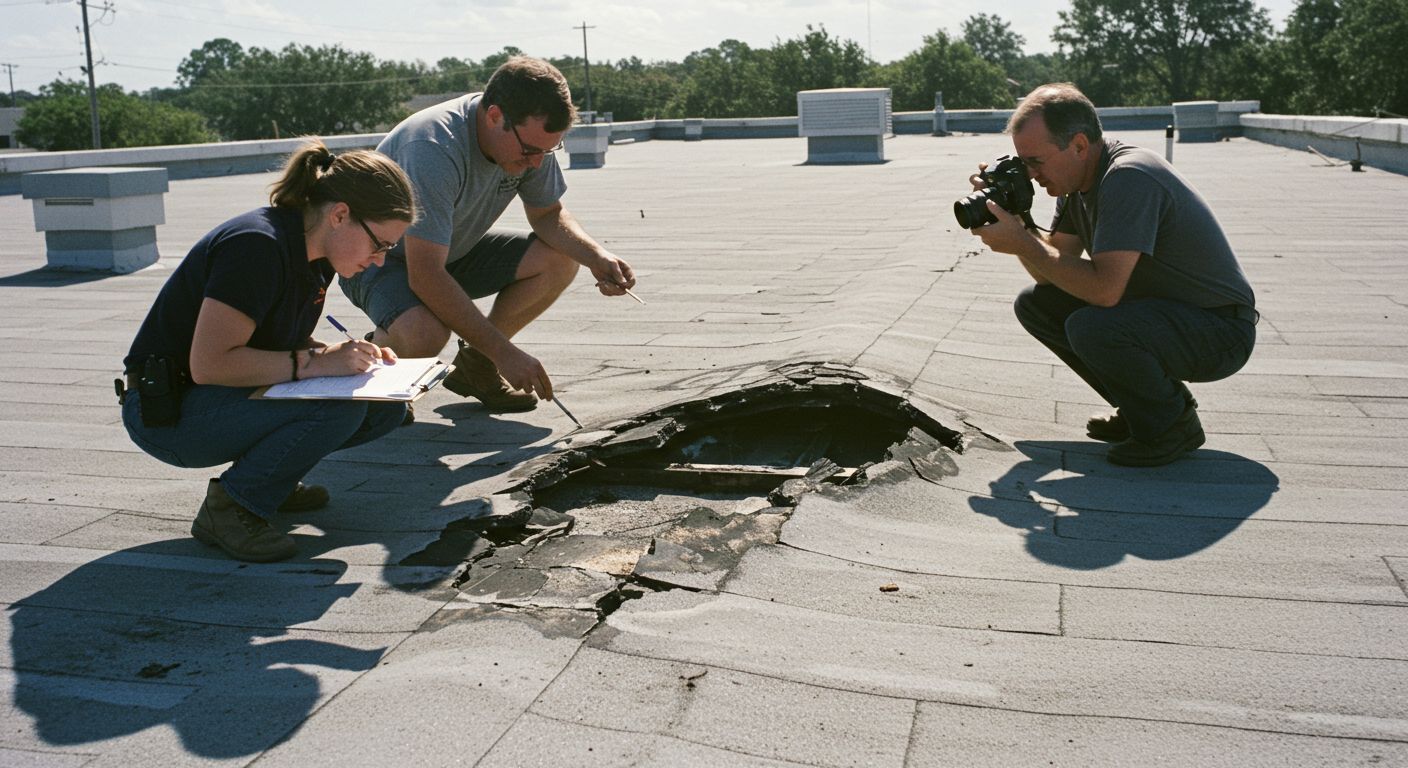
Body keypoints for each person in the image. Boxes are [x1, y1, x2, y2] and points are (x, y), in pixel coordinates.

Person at [121, 140, 416, 562]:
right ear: (340, 215)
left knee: (382, 406)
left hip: (213, 398)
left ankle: (272, 478)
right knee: (340, 408)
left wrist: (347, 356)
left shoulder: (313, 254)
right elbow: (210, 364)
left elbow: (275, 342)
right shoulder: (256, 246)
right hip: (167, 414)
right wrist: (315, 364)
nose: (380, 261)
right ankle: (232, 507)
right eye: (380, 244)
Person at [968, 83, 1257, 467]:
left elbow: (1104, 291)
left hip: (1219, 330)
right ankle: (1147, 407)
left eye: (1035, 161)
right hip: (1167, 315)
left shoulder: (1128, 177)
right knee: (1039, 305)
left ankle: (1170, 426)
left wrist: (1022, 241)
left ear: (1079, 145)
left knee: (1092, 326)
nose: (1031, 174)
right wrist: (1013, 213)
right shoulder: (1077, 183)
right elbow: (1052, 270)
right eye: (1023, 164)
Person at [339, 55, 635, 413]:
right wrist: (504, 352)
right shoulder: (432, 149)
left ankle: (474, 368)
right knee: (425, 333)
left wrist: (596, 257)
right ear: (495, 116)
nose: (537, 163)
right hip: (377, 261)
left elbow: (548, 214)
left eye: (548, 150)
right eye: (530, 151)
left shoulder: (528, 138)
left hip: (447, 254)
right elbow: (426, 275)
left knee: (559, 259)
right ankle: (380, 366)